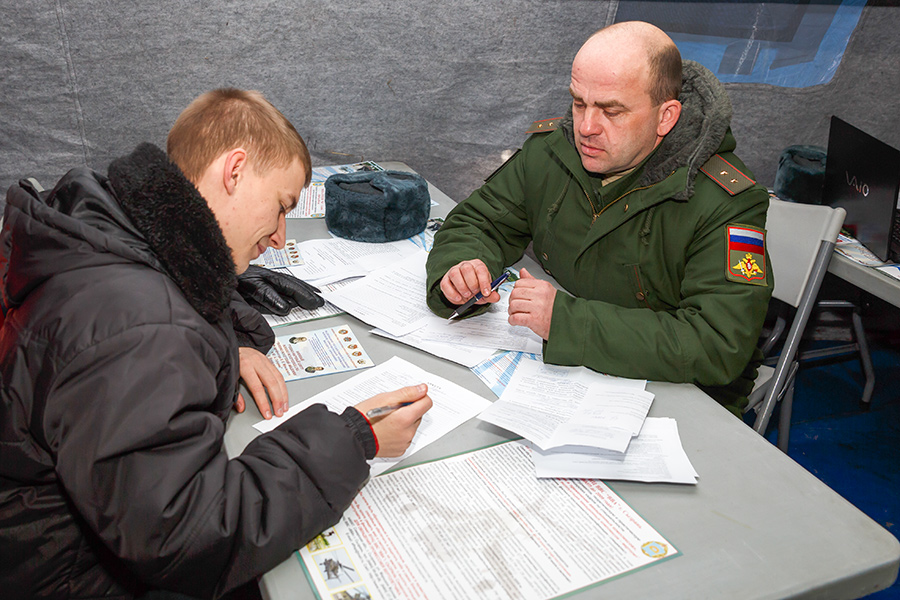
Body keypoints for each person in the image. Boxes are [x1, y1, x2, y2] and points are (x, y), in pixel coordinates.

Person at [0, 88, 432, 599]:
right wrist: (357, 441)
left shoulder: (109, 228)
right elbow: (185, 537)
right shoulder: (143, 328)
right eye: (280, 206)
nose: (279, 237)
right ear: (234, 171)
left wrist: (227, 346)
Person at [425, 21, 773, 415]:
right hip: (564, 372)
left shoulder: (725, 203)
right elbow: (479, 221)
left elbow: (716, 344)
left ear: (666, 117)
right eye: (578, 103)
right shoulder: (554, 151)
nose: (585, 128)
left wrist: (567, 322)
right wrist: (460, 268)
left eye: (611, 111)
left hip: (677, 396)